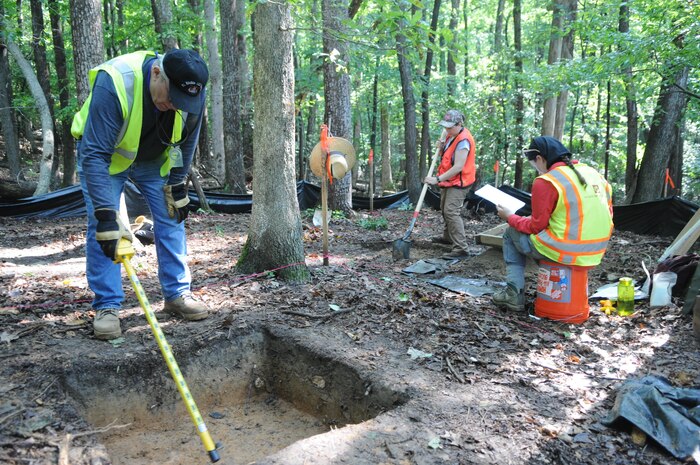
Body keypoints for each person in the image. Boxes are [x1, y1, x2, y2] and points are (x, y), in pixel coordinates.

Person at [71, 49, 211, 340]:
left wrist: (177, 183)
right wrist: (108, 215)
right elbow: (95, 154)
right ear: (157, 73)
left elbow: (188, 141)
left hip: (154, 160)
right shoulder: (117, 82)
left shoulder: (191, 89)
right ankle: (107, 306)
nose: (175, 106)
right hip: (106, 160)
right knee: (107, 230)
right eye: (171, 97)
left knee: (172, 217)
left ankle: (177, 294)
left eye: (181, 101)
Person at [492, 136, 614, 311]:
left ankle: (513, 293)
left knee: (511, 233)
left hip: (565, 251)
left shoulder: (548, 181)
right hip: (597, 251)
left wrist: (510, 216)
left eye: (534, 163)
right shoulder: (592, 173)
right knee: (524, 227)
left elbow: (536, 227)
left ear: (540, 159)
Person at [424, 109, 477, 259]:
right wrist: (442, 148)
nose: (446, 129)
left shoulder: (464, 141)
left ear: (459, 124)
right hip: (449, 180)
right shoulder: (450, 135)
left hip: (459, 182)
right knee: (444, 209)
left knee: (451, 212)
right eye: (445, 126)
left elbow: (458, 166)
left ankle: (461, 248)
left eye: (449, 126)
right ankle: (448, 237)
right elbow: (449, 157)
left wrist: (437, 179)